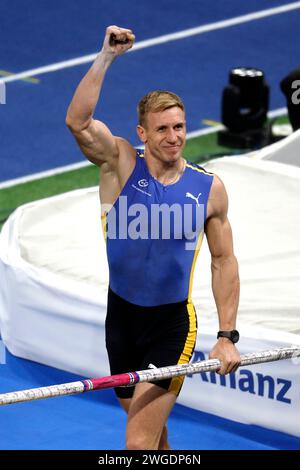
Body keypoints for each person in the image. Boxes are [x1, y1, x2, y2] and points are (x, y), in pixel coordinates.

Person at [66, 25, 240, 450]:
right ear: (142, 134)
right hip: (121, 319)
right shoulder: (121, 164)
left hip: (171, 326)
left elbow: (223, 261)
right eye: (162, 129)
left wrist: (227, 335)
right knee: (152, 435)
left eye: (179, 127)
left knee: (137, 444)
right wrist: (106, 56)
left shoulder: (208, 189)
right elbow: (78, 121)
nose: (174, 137)